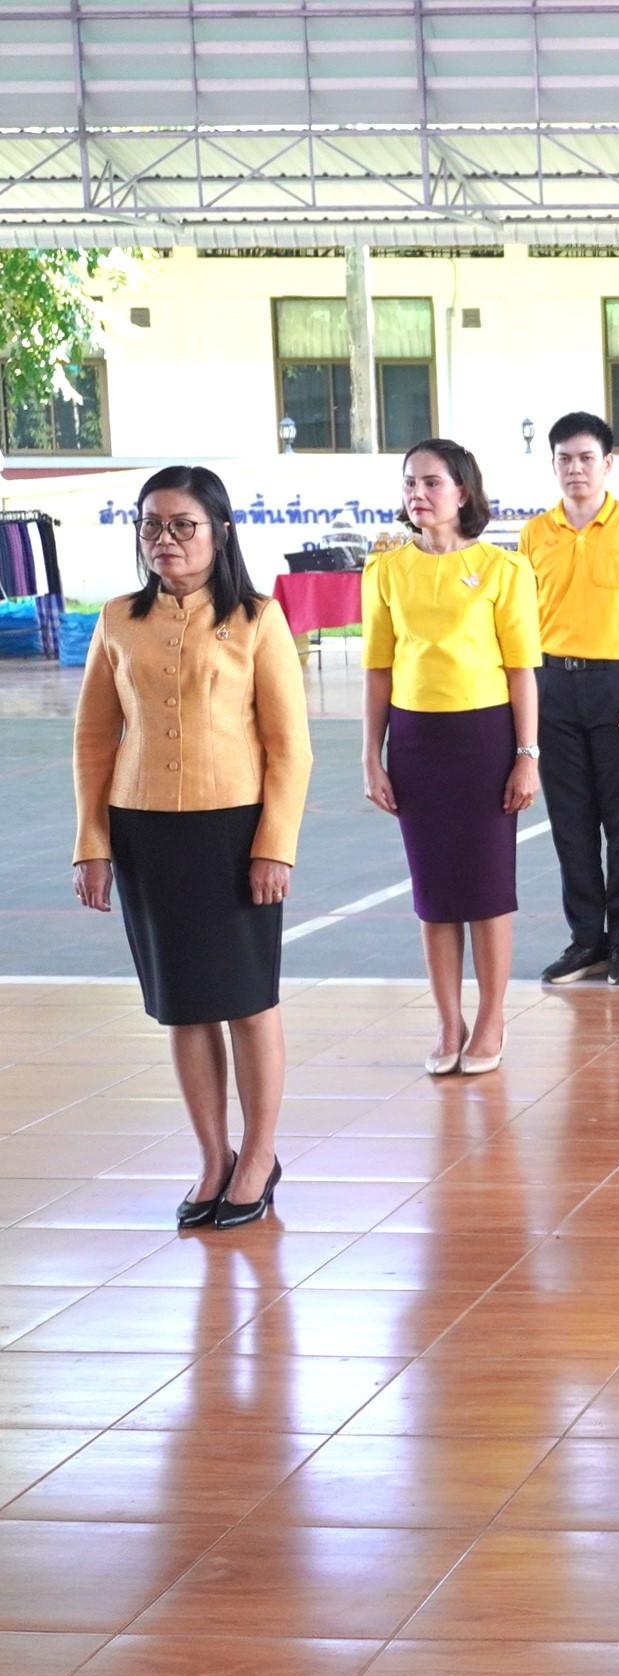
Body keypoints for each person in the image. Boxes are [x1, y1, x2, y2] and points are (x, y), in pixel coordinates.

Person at [71, 466, 310, 1230]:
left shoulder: (258, 619)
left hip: (235, 833)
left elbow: (290, 745)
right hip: (146, 832)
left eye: (182, 525)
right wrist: (93, 843)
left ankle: (260, 1155)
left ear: (220, 531)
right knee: (184, 1009)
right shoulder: (116, 620)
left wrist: (275, 844)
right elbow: (94, 739)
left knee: (247, 1001)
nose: (164, 539)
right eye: (151, 525)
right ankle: (212, 1157)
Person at [360, 439, 543, 1079]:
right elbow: (378, 672)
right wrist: (372, 758)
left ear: (462, 491)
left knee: (489, 891)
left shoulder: (504, 570)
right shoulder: (384, 571)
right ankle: (448, 1019)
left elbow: (522, 671)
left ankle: (491, 1018)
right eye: (410, 482)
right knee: (434, 894)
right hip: (415, 742)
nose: (418, 493)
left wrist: (527, 755)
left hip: (485, 739)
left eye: (431, 482)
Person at [519, 411, 619, 987]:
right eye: (565, 459)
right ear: (553, 464)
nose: (575, 469)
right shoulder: (536, 534)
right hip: (553, 686)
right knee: (571, 823)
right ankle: (587, 940)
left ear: (607, 464)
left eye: (586, 458)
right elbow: (521, 621)